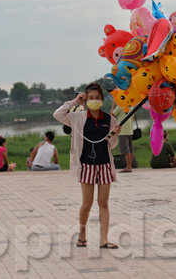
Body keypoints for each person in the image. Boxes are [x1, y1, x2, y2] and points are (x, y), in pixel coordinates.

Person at [53, 82, 122, 249]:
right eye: (90, 98)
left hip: (104, 165)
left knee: (103, 202)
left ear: (102, 99)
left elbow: (111, 145)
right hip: (86, 166)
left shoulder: (110, 119)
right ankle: (82, 234)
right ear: (85, 99)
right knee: (87, 203)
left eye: (97, 98)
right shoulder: (78, 117)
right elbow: (58, 114)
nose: (94, 101)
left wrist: (115, 135)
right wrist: (74, 102)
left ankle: (104, 239)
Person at [111, 102, 135, 173]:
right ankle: (130, 166)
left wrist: (113, 104)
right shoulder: (131, 106)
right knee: (130, 149)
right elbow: (133, 118)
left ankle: (128, 167)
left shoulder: (121, 105)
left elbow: (112, 115)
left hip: (122, 130)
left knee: (125, 149)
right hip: (130, 130)